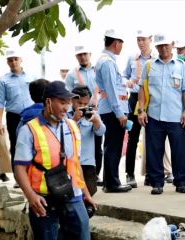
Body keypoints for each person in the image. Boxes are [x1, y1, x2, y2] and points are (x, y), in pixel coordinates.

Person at [14, 81, 96, 240]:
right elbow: (19, 169)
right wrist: (31, 196)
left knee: (83, 235)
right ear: (49, 102)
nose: (67, 107)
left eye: (68, 102)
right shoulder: (29, 130)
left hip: (73, 195)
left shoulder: (72, 125)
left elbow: (75, 163)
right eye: (62, 102)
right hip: (43, 199)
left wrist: (86, 194)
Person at [138, 33, 185, 195]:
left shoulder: (181, 65)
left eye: (166, 45)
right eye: (160, 46)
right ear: (156, 47)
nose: (164, 48)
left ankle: (181, 182)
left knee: (180, 151)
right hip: (154, 115)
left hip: (176, 116)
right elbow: (142, 88)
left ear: (172, 45)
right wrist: (141, 111)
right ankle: (157, 183)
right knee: (154, 151)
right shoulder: (149, 65)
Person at [95, 29, 132, 193]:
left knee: (111, 146)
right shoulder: (108, 62)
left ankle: (110, 181)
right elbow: (111, 90)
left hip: (108, 110)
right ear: (117, 43)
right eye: (121, 44)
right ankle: (112, 183)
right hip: (112, 111)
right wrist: (120, 114)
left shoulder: (106, 60)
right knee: (113, 147)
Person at [0, 49, 36, 187]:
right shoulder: (4, 81)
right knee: (16, 146)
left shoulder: (32, 76)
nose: (13, 62)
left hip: (32, 115)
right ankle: (19, 179)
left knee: (34, 144)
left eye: (15, 59)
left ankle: (33, 175)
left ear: (21, 59)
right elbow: (0, 102)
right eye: (10, 60)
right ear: (7, 62)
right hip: (14, 117)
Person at [65, 44, 103, 184]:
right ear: (76, 56)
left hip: (97, 110)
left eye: (85, 54)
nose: (83, 57)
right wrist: (74, 113)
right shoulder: (71, 74)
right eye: (79, 54)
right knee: (76, 142)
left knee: (97, 145)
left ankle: (95, 174)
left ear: (90, 54)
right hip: (77, 113)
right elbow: (67, 95)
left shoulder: (98, 71)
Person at [123, 30, 155, 188]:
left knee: (152, 138)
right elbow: (123, 76)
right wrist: (127, 82)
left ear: (150, 39)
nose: (140, 42)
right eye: (138, 40)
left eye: (143, 39)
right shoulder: (131, 58)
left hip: (152, 99)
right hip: (135, 99)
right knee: (133, 138)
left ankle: (151, 174)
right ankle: (129, 174)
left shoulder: (156, 59)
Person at [69, 85, 106, 196]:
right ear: (72, 101)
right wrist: (74, 120)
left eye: (85, 104)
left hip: (87, 162)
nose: (82, 106)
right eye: (79, 103)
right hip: (70, 162)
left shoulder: (92, 113)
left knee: (90, 192)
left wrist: (96, 121)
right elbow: (64, 133)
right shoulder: (66, 115)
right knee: (72, 192)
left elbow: (101, 132)